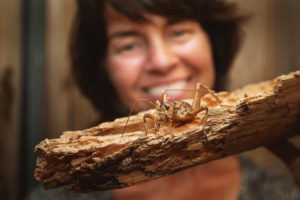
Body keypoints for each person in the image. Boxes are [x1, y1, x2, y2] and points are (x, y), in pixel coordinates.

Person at [28, 0, 300, 199]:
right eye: (129, 44)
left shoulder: (281, 192)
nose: (161, 62)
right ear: (102, 67)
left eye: (179, 31)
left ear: (212, 42)